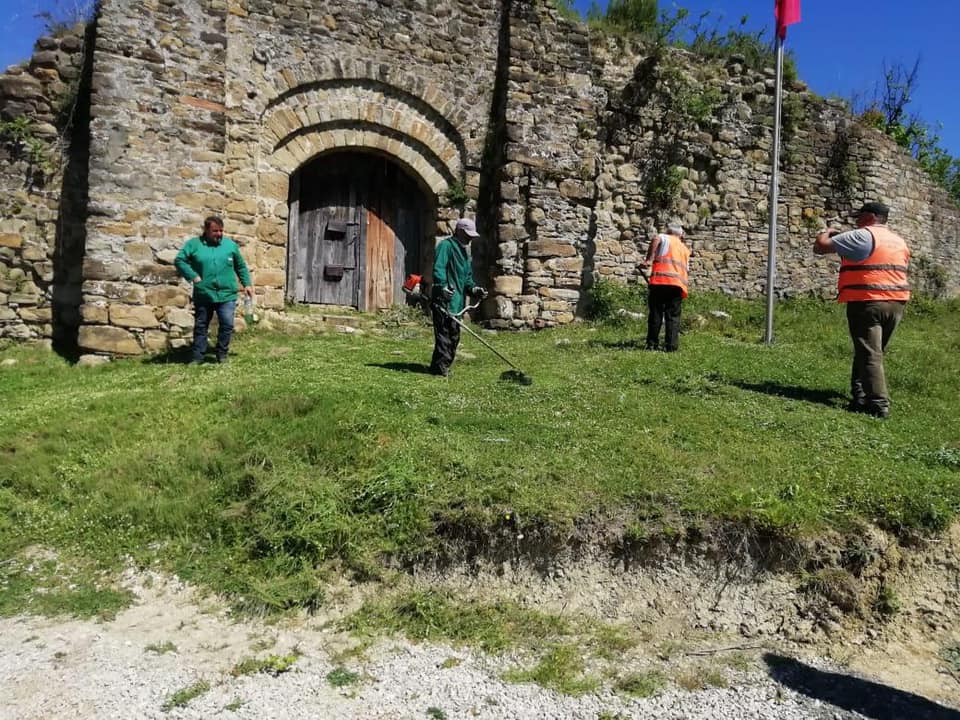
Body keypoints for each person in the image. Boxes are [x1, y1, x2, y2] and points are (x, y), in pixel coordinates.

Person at [813, 201, 910, 419]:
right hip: (896, 303)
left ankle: (878, 405)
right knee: (870, 351)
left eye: (860, 216)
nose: (856, 220)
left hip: (868, 301)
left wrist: (827, 232)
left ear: (871, 217)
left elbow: (820, 246)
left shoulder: (862, 235)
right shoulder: (898, 240)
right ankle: (860, 395)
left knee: (869, 354)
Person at [174, 216, 254, 364]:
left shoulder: (230, 246)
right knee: (201, 325)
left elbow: (240, 266)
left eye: (221, 231)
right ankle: (198, 357)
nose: (219, 234)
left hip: (227, 293)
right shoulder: (194, 244)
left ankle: (222, 354)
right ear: (206, 230)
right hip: (204, 293)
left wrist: (247, 284)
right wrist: (193, 276)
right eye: (215, 231)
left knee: (227, 324)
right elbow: (179, 260)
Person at [429, 217, 487, 377]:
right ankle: (441, 368)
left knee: (454, 336)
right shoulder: (446, 246)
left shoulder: (464, 252)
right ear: (460, 231)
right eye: (468, 235)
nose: (470, 238)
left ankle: (439, 366)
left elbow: (467, 278)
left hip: (457, 303)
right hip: (443, 300)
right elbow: (439, 268)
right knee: (444, 336)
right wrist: (442, 286)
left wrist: (474, 289)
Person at [640, 221, 691, 351]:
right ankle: (671, 346)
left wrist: (648, 260)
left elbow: (656, 239)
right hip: (678, 285)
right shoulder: (685, 249)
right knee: (673, 316)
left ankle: (652, 344)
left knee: (656, 313)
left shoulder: (664, 237)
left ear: (670, 231)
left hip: (660, 281)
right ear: (680, 235)